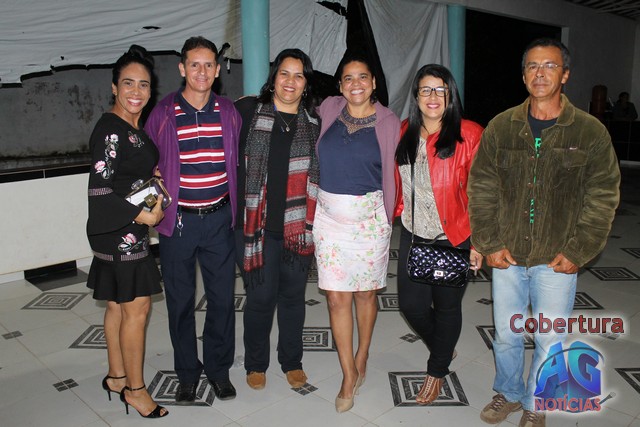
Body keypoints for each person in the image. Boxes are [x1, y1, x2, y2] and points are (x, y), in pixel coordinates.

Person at [468, 38, 620, 427]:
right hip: (507, 253)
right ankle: (508, 393)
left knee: (549, 337)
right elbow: (482, 187)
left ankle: (537, 402)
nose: (540, 73)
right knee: (506, 334)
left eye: (550, 66)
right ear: (523, 75)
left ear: (565, 75)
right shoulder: (502, 127)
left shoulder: (589, 131)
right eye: (533, 66)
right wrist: (489, 242)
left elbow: (602, 195)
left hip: (557, 258)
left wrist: (579, 250)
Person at [144, 36, 241, 404]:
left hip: (219, 219)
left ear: (217, 71)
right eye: (194, 64)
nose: (202, 71)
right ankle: (187, 374)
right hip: (178, 222)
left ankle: (218, 370)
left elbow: (237, 160)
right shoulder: (163, 112)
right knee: (180, 302)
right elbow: (147, 163)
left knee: (222, 300)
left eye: (208, 65)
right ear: (182, 69)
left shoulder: (228, 111)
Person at [314, 51, 400, 413]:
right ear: (340, 86)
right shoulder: (329, 109)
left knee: (365, 294)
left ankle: (362, 354)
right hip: (329, 219)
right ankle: (348, 374)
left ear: (374, 82)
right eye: (348, 78)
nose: (356, 84)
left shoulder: (389, 121)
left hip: (370, 220)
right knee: (336, 298)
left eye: (362, 77)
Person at [86, 45, 168, 418]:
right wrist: (142, 216)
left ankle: (117, 377)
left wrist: (151, 177)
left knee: (118, 305)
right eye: (128, 83)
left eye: (144, 85)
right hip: (121, 231)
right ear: (114, 87)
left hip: (121, 228)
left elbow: (125, 173)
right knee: (138, 307)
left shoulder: (129, 126)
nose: (136, 91)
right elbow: (100, 191)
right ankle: (136, 391)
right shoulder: (111, 130)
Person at [394, 64, 483, 405]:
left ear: (450, 94)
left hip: (453, 235)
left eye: (440, 89)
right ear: (416, 96)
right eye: (425, 90)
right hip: (413, 233)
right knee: (411, 306)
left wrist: (479, 243)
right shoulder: (404, 131)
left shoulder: (469, 134)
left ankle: (437, 369)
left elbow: (483, 193)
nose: (433, 96)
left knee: (447, 308)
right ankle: (443, 347)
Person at [234, 48, 320, 391]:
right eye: (284, 73)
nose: (290, 81)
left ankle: (292, 361)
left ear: (306, 84)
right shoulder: (247, 112)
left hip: (297, 230)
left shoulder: (314, 125)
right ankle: (256, 363)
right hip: (256, 228)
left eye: (299, 76)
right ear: (273, 78)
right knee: (260, 298)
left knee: (293, 298)